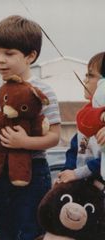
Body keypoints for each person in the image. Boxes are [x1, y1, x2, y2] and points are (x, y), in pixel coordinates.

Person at [0, 15, 61, 240]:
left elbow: (54, 136)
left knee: (31, 230)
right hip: (1, 173)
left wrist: (25, 142)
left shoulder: (43, 91)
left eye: (9, 53)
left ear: (30, 56)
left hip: (34, 171)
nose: (0, 60)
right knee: (6, 230)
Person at [58, 52, 105, 184]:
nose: (85, 80)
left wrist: (76, 173)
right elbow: (75, 149)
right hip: (83, 187)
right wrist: (66, 172)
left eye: (90, 75)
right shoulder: (86, 115)